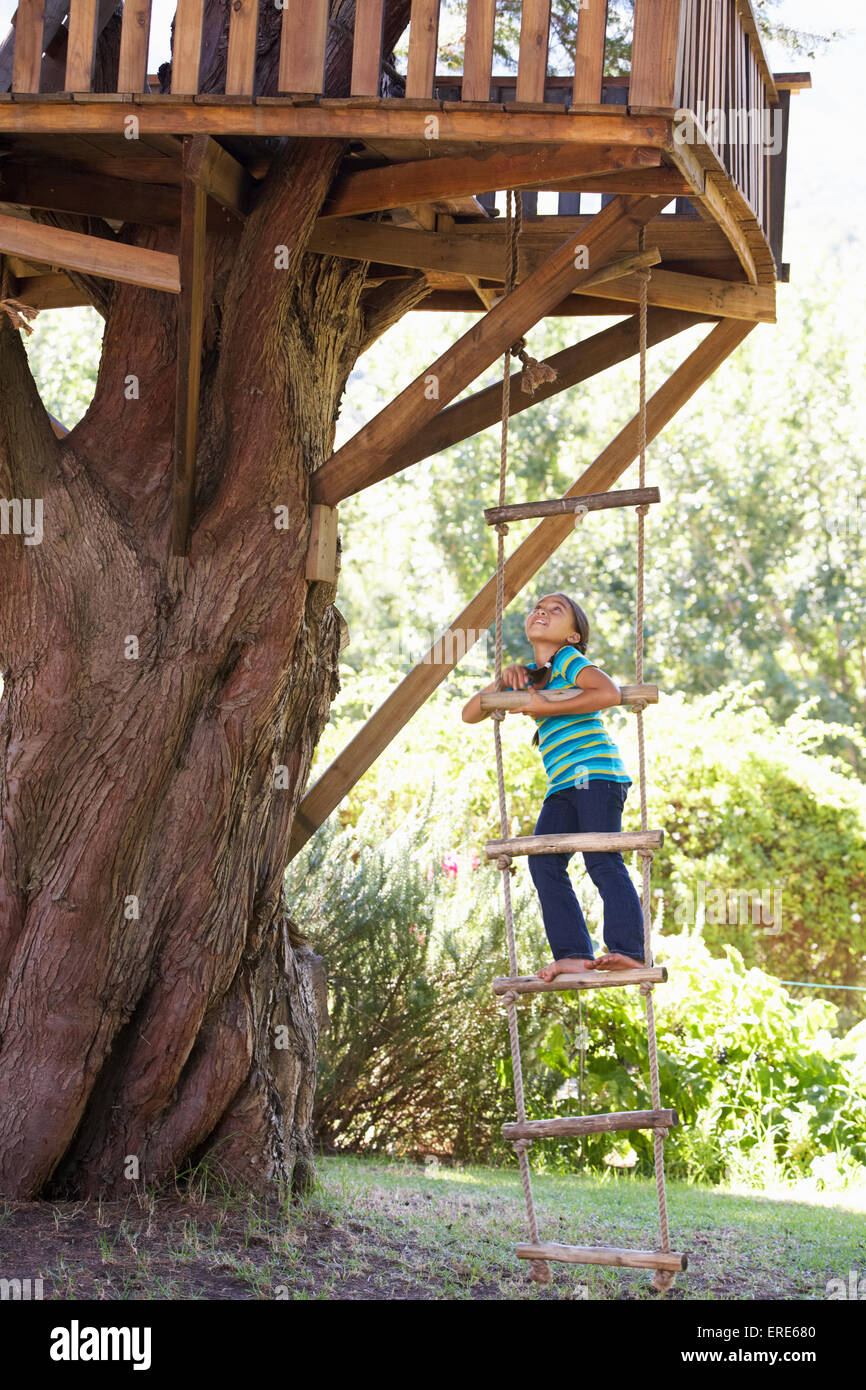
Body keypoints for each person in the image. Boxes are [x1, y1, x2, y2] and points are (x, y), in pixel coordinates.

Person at [461, 592, 647, 981]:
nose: (542, 611)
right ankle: (574, 954)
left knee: (600, 856)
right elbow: (471, 713)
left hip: (596, 775)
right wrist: (504, 680)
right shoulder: (531, 674)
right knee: (544, 860)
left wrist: (543, 706)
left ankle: (630, 950)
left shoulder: (568, 660)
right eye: (538, 608)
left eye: (555, 610)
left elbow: (608, 693)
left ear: (573, 636)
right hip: (563, 783)